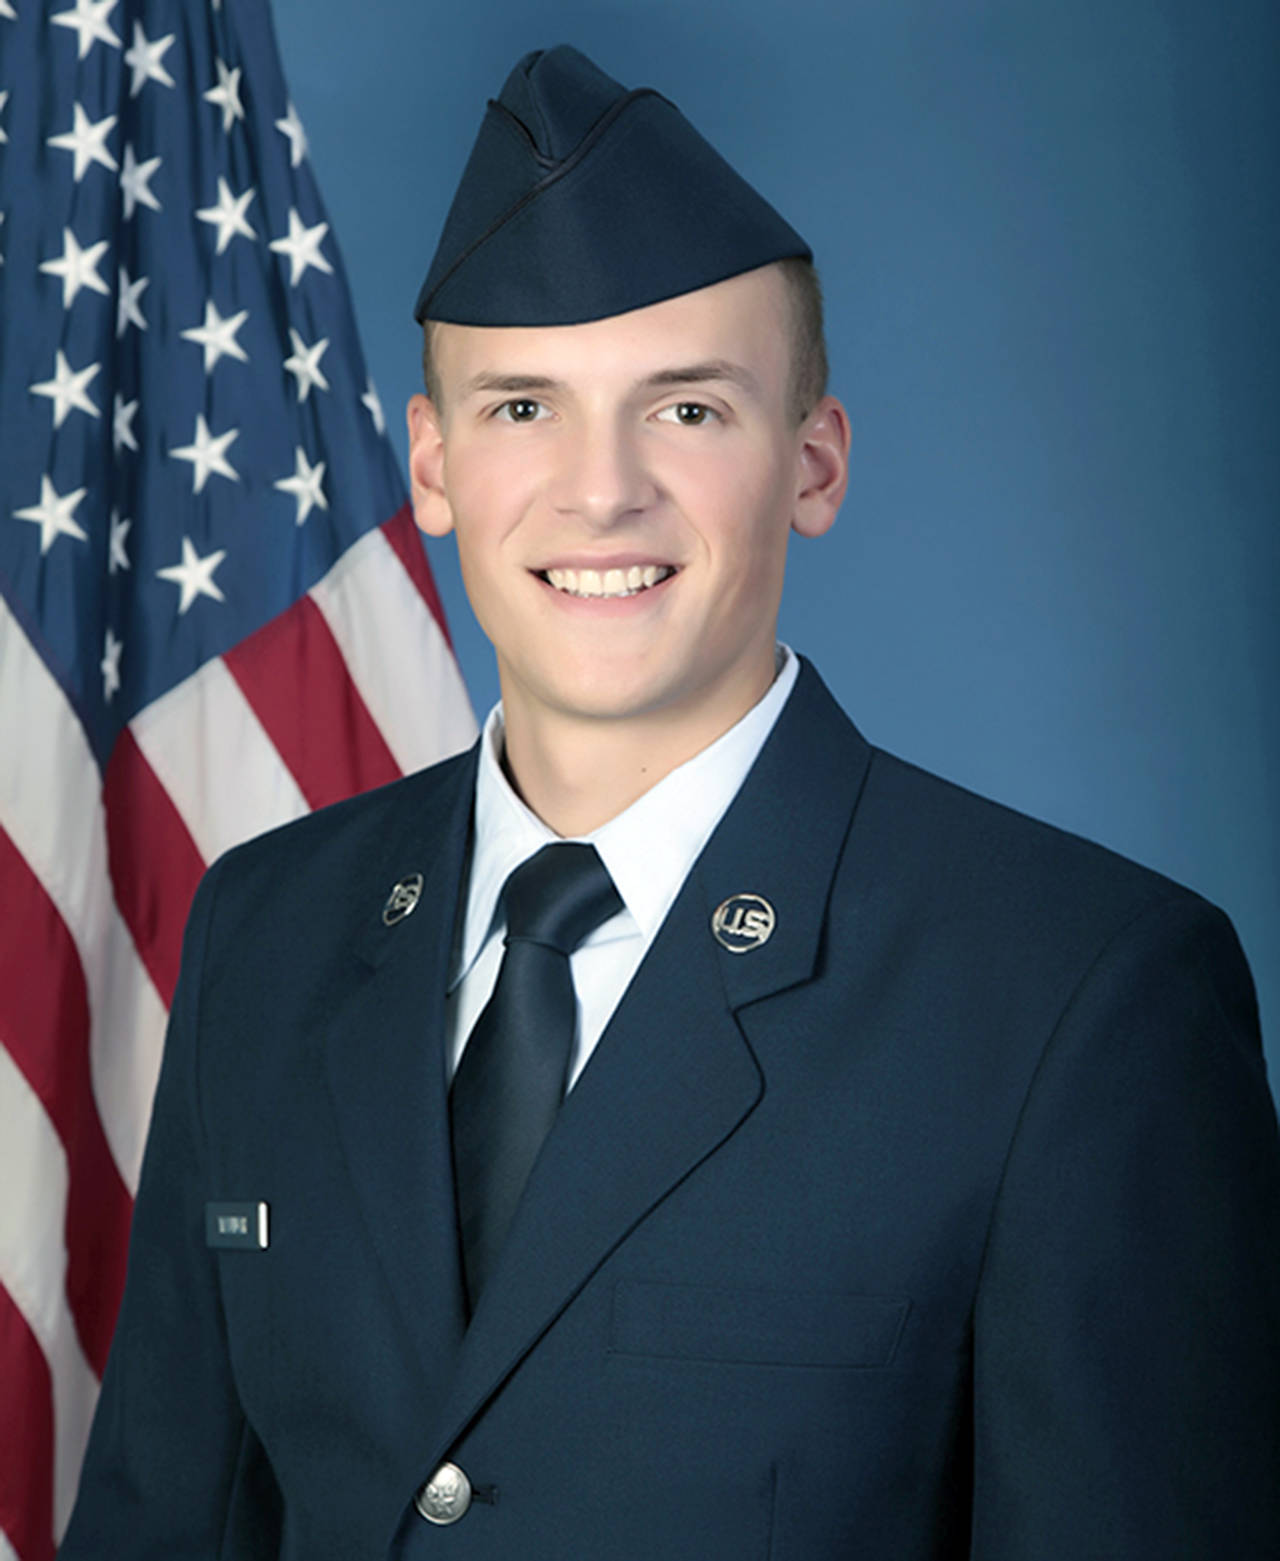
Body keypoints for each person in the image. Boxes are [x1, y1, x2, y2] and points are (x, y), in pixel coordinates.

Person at [62, 44, 1280, 1560]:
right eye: (524, 407)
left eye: (688, 410)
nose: (601, 492)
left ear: (813, 465)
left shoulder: (1076, 996)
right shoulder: (269, 925)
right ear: (432, 465)